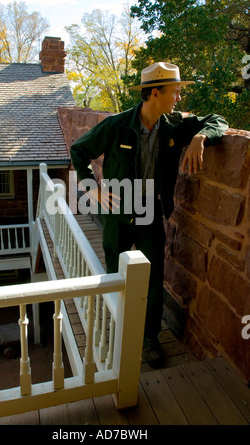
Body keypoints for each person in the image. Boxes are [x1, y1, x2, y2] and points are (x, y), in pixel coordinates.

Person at [70, 62, 228, 367]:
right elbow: (79, 151)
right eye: (175, 92)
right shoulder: (117, 125)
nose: (179, 98)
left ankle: (150, 337)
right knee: (116, 276)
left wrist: (200, 138)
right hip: (116, 214)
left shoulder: (174, 125)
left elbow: (217, 119)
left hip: (149, 213)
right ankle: (117, 328)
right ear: (155, 93)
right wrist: (92, 189)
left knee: (155, 278)